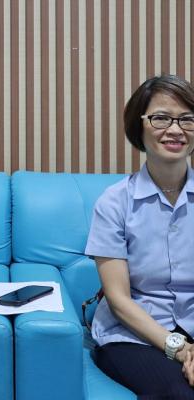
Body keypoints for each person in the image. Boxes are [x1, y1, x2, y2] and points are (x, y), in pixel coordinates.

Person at [85, 74, 194, 399]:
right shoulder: (114, 202)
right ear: (139, 126)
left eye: (187, 119)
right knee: (178, 393)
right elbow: (118, 300)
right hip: (133, 334)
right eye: (161, 118)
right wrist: (179, 348)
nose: (175, 129)